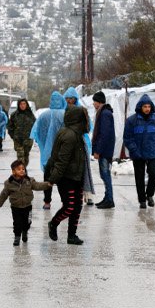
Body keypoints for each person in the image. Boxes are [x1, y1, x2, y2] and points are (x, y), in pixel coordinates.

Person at [46, 105, 89, 245]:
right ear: (79, 119)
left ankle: (72, 236)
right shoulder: (70, 135)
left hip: (77, 175)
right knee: (69, 206)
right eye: (85, 117)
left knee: (77, 206)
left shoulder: (76, 134)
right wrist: (52, 180)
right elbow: (61, 160)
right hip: (67, 177)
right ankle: (53, 223)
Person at [123, 93, 155, 209]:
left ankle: (150, 195)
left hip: (152, 151)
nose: (147, 109)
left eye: (149, 107)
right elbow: (127, 138)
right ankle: (142, 199)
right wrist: (134, 150)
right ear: (140, 107)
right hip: (138, 153)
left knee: (153, 174)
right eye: (145, 107)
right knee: (139, 177)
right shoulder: (132, 121)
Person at [0, 159, 52, 246]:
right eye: (19, 169)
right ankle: (17, 237)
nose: (22, 170)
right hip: (15, 207)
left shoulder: (29, 180)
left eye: (23, 169)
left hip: (27, 206)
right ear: (13, 171)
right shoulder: (9, 183)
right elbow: (4, 194)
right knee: (17, 223)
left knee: (27, 222)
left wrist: (47, 184)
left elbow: (37, 185)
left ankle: (25, 231)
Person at [30, 91, 66, 210]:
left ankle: (47, 202)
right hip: (62, 153)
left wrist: (45, 144)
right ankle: (64, 202)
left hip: (48, 154)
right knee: (62, 179)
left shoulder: (44, 115)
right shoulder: (64, 114)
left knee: (48, 178)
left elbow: (37, 132)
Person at [62, 87, 96, 205]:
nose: (69, 101)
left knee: (84, 169)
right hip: (69, 142)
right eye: (67, 98)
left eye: (72, 98)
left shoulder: (82, 110)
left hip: (82, 142)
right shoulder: (63, 111)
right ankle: (72, 196)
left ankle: (87, 194)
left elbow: (89, 127)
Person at [91, 91, 116, 209]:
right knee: (104, 175)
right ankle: (107, 198)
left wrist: (98, 150)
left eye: (94, 101)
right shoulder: (103, 112)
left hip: (105, 151)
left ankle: (110, 200)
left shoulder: (105, 114)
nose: (93, 104)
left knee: (105, 175)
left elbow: (104, 134)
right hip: (105, 150)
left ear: (99, 102)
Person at [7, 98, 36, 167]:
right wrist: (13, 136)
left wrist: (33, 136)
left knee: (26, 157)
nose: (22, 106)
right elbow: (10, 127)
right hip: (18, 140)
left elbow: (35, 126)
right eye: (21, 104)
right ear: (18, 105)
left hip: (28, 140)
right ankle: (21, 173)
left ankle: (23, 170)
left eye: (24, 104)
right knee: (20, 157)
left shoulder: (30, 115)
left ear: (27, 105)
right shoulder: (14, 115)